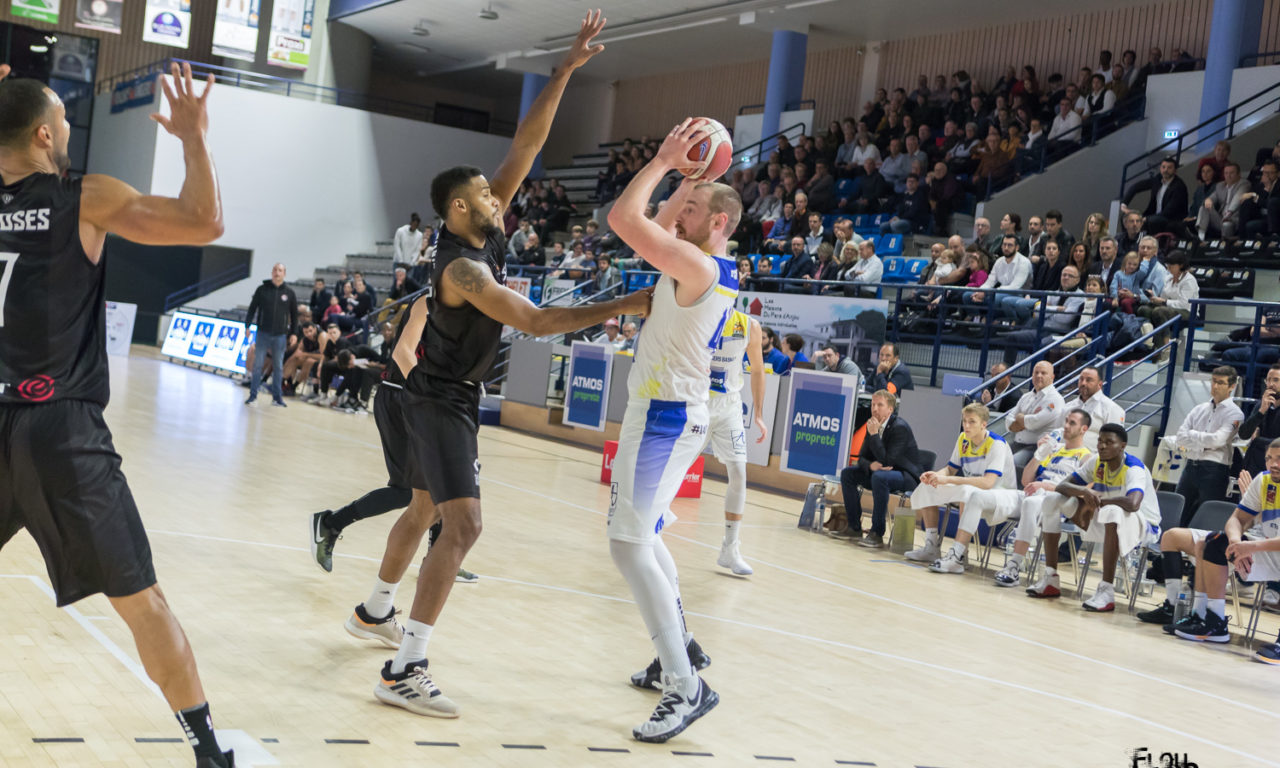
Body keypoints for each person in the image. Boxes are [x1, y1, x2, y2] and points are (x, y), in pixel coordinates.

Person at [352, 13, 651, 722]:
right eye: (488, 195)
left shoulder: (479, 229)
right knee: (462, 528)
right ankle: (405, 667)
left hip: (433, 393)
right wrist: (633, 301)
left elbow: (528, 143)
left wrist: (567, 71)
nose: (500, 198)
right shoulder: (461, 266)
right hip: (440, 400)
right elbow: (540, 322)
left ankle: (374, 613)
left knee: (426, 508)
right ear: (460, 209)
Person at [0, 63, 232, 767]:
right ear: (45, 134)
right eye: (64, 120)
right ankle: (209, 754)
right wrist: (193, 139)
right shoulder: (83, 197)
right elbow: (204, 221)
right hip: (59, 428)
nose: (69, 129)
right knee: (141, 598)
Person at [605, 116, 740, 743]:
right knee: (646, 535)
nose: (675, 212)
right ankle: (678, 646)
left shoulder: (701, 267)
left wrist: (662, 160)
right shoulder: (690, 259)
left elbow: (624, 222)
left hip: (664, 417)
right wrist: (683, 180)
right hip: (661, 411)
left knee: (628, 544)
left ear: (718, 222)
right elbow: (647, 225)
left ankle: (687, 686)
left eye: (689, 207)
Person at [1161, 439, 1280, 656]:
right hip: (1268, 549)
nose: (1273, 464)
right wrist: (1236, 543)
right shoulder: (1263, 481)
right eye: (1269, 458)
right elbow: (1236, 519)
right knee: (1215, 543)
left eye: (1279, 459)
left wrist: (1250, 546)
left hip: (1269, 546)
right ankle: (1214, 621)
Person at [1025, 424, 1161, 611]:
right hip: (1106, 515)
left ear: (1122, 446)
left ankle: (1106, 591)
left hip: (1144, 525)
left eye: (1109, 442)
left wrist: (1099, 501)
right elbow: (1062, 485)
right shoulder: (1096, 462)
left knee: (1112, 511)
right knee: (1052, 500)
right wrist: (1083, 491)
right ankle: (1050, 578)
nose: (1102, 446)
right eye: (1100, 441)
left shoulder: (1133, 467)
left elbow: (1133, 504)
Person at [983, 409, 1095, 587]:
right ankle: (958, 552)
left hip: (1057, 501)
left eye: (1072, 423)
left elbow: (1083, 491)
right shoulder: (1052, 449)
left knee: (1031, 502)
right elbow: (1026, 479)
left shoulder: (1087, 457)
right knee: (984, 496)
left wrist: (1046, 486)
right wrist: (1039, 454)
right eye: (1066, 421)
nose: (1066, 426)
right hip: (1034, 492)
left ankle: (1014, 566)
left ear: (1083, 429)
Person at [906, 403, 1016, 565]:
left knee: (967, 493)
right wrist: (936, 475)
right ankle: (931, 547)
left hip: (1000, 493)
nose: (966, 425)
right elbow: (951, 469)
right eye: (964, 421)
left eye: (972, 422)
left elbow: (987, 482)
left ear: (983, 425)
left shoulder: (997, 444)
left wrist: (948, 479)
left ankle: (960, 553)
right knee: (928, 485)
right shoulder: (963, 438)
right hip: (972, 488)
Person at [701, 309, 767, 576]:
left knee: (739, 473)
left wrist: (759, 414)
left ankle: (730, 548)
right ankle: (650, 529)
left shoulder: (749, 325)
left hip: (729, 407)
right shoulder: (698, 315)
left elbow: (758, 370)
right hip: (697, 402)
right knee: (675, 469)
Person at [834, 390, 922, 548]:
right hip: (881, 473)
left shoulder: (899, 427)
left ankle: (876, 533)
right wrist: (869, 465)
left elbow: (888, 460)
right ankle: (854, 527)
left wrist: (874, 435)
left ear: (890, 409)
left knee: (879, 477)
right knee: (848, 474)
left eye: (879, 405)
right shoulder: (873, 423)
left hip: (906, 476)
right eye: (873, 404)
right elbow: (860, 458)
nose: (874, 408)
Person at [1172, 366, 1243, 527]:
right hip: (1191, 465)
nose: (1215, 386)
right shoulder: (1199, 409)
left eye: (1221, 383)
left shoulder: (1235, 413)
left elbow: (1218, 441)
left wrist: (1194, 437)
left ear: (1231, 386)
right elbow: (1180, 437)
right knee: (1178, 512)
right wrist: (1204, 443)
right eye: (1213, 381)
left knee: (1208, 517)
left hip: (1214, 469)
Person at [244, 261, 298, 406]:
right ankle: (253, 395)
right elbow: (252, 308)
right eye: (275, 269)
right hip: (262, 332)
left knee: (278, 366)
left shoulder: (289, 293)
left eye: (280, 270)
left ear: (284, 274)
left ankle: (277, 398)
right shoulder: (262, 289)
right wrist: (247, 325)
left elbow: (294, 315)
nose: (277, 272)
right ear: (272, 272)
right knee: (258, 365)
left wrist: (294, 333)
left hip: (280, 335)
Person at [1005, 360, 1067, 469]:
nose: (1039, 376)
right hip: (1016, 443)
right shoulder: (1026, 396)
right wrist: (1020, 423)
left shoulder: (1055, 399)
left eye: (1043, 373)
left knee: (1012, 464)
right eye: (1036, 373)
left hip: (1036, 447)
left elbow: (1035, 422)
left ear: (1052, 377)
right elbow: (1008, 419)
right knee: (994, 458)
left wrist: (1020, 418)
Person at [1064, 366, 1124, 450]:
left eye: (1089, 380)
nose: (1083, 383)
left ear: (1100, 384)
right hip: (1064, 457)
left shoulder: (1112, 408)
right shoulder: (1068, 407)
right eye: (1081, 379)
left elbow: (1113, 442)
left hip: (1093, 460)